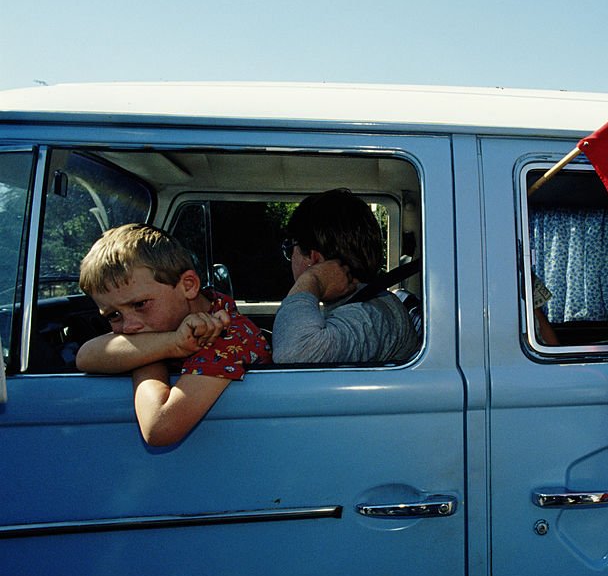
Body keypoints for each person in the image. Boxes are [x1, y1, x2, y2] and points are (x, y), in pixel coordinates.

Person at [76, 224, 270, 446]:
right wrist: (170, 345)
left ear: (188, 286)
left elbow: (160, 427)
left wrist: (141, 357)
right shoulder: (161, 326)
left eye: (140, 304)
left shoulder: (225, 335)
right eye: (113, 315)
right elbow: (85, 356)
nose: (129, 327)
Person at [272, 188, 419, 364]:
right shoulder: (360, 305)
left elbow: (293, 357)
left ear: (314, 258)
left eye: (290, 249)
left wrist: (312, 279)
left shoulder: (370, 315)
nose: (291, 258)